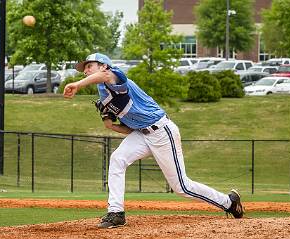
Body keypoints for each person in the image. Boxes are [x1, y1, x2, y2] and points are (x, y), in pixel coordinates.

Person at [63, 53, 244, 229]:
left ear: (103, 65)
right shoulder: (104, 93)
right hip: (143, 133)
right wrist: (110, 125)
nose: (85, 71)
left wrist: (77, 85)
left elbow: (104, 76)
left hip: (162, 131)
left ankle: (229, 202)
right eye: (84, 69)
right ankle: (116, 213)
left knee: (181, 187)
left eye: (89, 66)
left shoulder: (114, 75)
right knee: (117, 159)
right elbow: (130, 129)